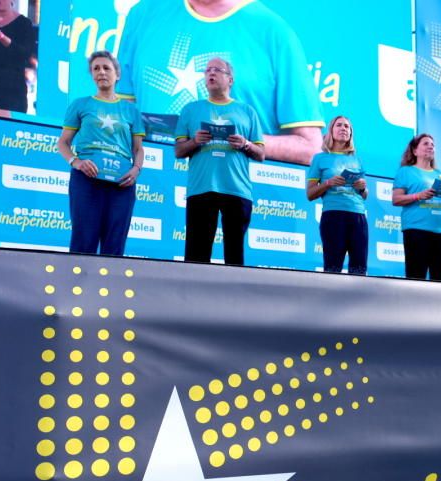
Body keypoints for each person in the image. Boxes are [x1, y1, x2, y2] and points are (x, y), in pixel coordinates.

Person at [116, 0, 323, 164]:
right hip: (148, 198)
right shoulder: (142, 14)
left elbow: (310, 148)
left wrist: (230, 139)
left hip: (234, 200)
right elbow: (123, 116)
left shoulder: (275, 33)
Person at [174, 57, 266, 266]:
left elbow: (261, 153)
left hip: (237, 190)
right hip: (201, 188)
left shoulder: (247, 111)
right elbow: (179, 151)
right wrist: (195, 141)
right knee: (196, 255)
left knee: (234, 256)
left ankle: (234, 299)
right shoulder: (190, 109)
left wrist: (245, 144)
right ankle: (193, 298)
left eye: (217, 70)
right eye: (207, 71)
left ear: (230, 79)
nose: (210, 74)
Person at [57, 51, 145, 257]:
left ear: (118, 74)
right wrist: (76, 162)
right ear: (91, 75)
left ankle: (111, 288)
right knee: (83, 242)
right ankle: (77, 287)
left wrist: (136, 169)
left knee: (114, 246)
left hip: (122, 182)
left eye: (106, 68)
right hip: (87, 180)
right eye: (96, 68)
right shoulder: (80, 104)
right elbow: (63, 142)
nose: (101, 72)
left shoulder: (131, 110)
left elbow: (138, 149)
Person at [306, 116, 369, 275]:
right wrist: (328, 183)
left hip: (358, 217)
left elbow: (365, 195)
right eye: (339, 125)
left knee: (359, 269)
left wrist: (362, 188)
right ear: (331, 131)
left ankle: (357, 300)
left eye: (347, 126)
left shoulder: (357, 160)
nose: (343, 128)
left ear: (350, 133)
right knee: (333, 268)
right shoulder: (320, 158)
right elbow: (310, 194)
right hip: (333, 216)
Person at [392, 134, 441, 281]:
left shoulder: (440, 175)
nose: (430, 146)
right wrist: (418, 196)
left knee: (440, 280)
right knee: (416, 277)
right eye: (426, 143)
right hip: (417, 231)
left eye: (432, 145)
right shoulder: (406, 171)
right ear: (415, 151)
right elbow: (396, 199)